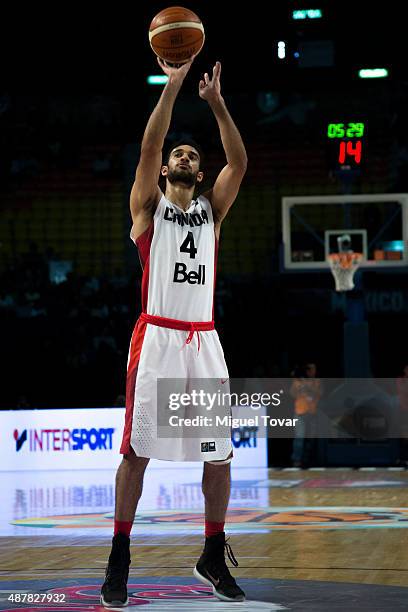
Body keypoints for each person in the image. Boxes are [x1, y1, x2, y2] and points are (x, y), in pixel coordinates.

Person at [101, 56, 247, 607]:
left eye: (193, 155)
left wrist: (216, 104)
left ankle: (212, 550)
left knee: (220, 455)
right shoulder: (148, 211)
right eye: (177, 154)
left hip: (204, 340)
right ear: (165, 171)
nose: (184, 156)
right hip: (158, 338)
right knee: (136, 453)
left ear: (200, 173)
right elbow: (146, 147)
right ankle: (119, 554)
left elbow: (239, 160)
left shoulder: (213, 210)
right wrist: (176, 83)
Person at [290, 362, 322, 468]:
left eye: (313, 369)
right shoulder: (297, 382)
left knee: (311, 439)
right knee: (300, 437)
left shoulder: (317, 382)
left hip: (312, 413)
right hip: (300, 412)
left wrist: (306, 385)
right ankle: (297, 460)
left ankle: (307, 460)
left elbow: (319, 393)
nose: (312, 371)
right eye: (309, 369)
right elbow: (292, 394)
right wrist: (299, 384)